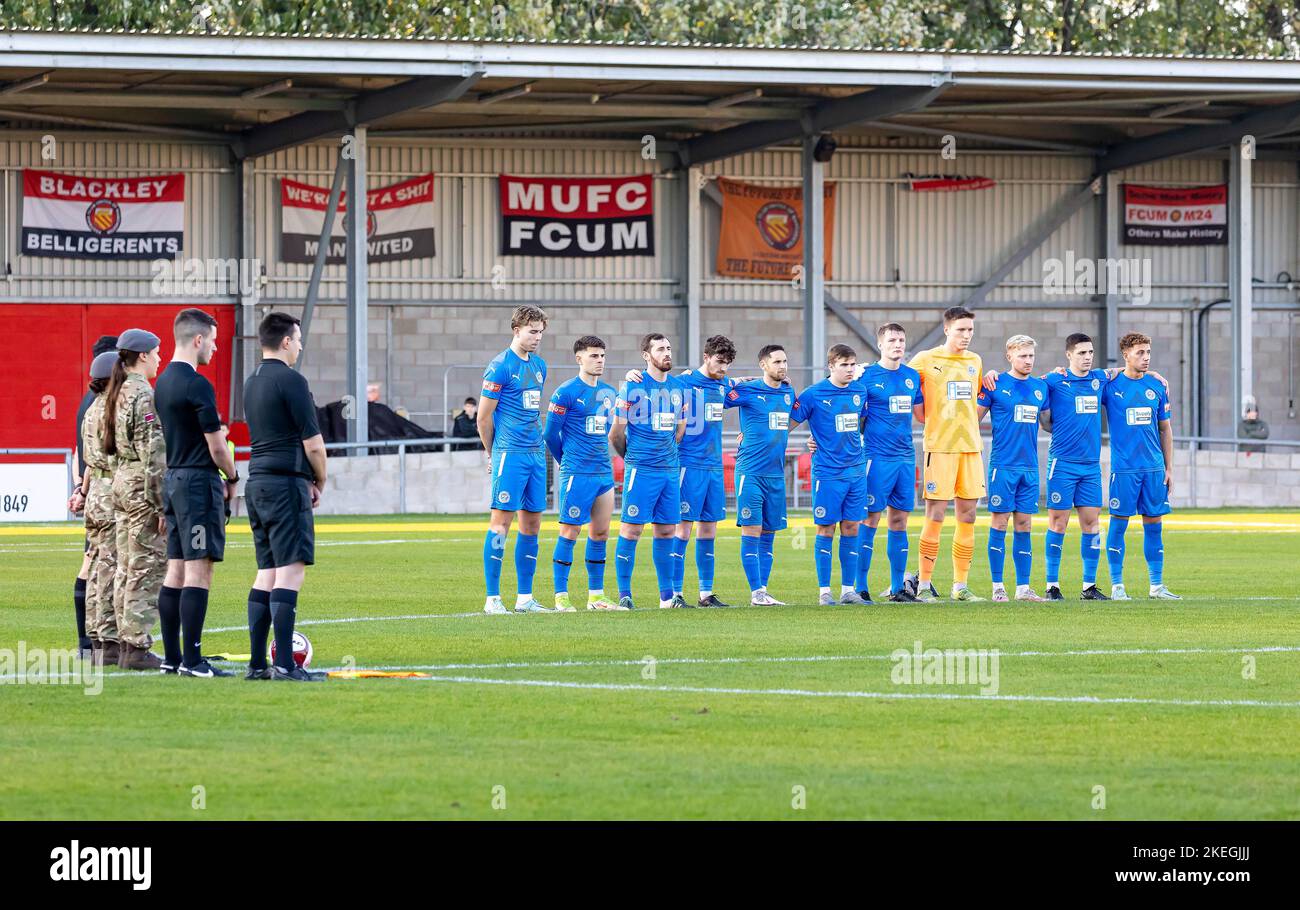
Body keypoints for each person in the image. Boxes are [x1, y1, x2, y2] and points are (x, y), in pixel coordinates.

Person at [154, 308, 240, 678]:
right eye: (214, 341)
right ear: (198, 339)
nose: (216, 349)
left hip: (173, 480)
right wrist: (233, 477)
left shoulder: (163, 382)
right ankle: (193, 661)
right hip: (196, 485)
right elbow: (217, 446)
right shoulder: (196, 384)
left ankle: (172, 659)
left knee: (174, 567)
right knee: (198, 569)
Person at [243, 312, 329, 680]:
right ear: (286, 342)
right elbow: (313, 444)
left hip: (257, 482)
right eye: (298, 339)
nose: (300, 346)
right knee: (291, 572)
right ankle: (284, 665)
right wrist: (319, 480)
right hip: (285, 483)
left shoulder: (251, 381)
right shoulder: (293, 381)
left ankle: (258, 664)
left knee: (266, 571)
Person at [908, 307, 986, 602]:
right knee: (936, 515)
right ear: (947, 330)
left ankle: (960, 586)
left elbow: (979, 395)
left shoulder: (975, 361)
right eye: (961, 330)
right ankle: (925, 585)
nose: (966, 336)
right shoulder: (926, 359)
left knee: (968, 515)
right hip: (939, 447)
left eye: (970, 330)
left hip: (970, 447)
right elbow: (903, 384)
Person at [478, 305, 550, 614]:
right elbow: (483, 418)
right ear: (516, 330)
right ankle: (492, 598)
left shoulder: (539, 366)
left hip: (536, 454)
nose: (537, 337)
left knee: (532, 524)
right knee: (501, 523)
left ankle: (525, 598)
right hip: (510, 453)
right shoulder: (499, 366)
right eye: (532, 331)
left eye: (541, 332)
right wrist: (492, 453)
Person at [102, 329, 167, 670]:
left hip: (121, 483)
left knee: (126, 567)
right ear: (142, 356)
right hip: (141, 486)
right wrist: (160, 504)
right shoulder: (143, 394)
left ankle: (125, 644)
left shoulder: (117, 391)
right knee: (146, 567)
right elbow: (153, 452)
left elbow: (108, 444)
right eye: (156, 353)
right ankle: (137, 647)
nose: (159, 359)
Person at [544, 336, 622, 611]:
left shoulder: (610, 393)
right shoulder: (565, 392)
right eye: (594, 356)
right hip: (576, 472)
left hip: (603, 473)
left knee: (600, 533)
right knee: (570, 531)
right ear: (579, 358)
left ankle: (596, 596)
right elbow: (550, 434)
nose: (600, 360)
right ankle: (561, 596)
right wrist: (565, 461)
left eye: (602, 355)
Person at [610, 333, 687, 610]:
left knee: (667, 531)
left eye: (669, 347)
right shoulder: (633, 387)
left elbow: (680, 429)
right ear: (646, 355)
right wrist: (632, 459)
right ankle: (624, 595)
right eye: (660, 349)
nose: (667, 352)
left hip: (669, 470)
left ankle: (667, 598)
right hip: (641, 469)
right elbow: (616, 434)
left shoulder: (679, 387)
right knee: (631, 531)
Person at [1102, 332, 1181, 601]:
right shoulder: (1110, 385)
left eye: (1148, 352)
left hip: (1154, 469)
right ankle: (1117, 587)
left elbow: (1165, 429)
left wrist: (1169, 468)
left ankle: (1156, 587)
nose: (1146, 357)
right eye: (1140, 353)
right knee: (1118, 525)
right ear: (1126, 355)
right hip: (1124, 469)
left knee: (1154, 525)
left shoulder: (1157, 386)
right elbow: (1083, 377)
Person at [790, 344, 870, 606]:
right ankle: (825, 591)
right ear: (831, 366)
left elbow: (863, 423)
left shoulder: (860, 390)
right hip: (827, 472)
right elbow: (788, 424)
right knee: (826, 528)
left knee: (851, 527)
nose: (849, 369)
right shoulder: (813, 394)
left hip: (856, 472)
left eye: (852, 364)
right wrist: (808, 442)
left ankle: (848, 590)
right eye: (843, 365)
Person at [976, 335, 1050, 602]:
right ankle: (998, 587)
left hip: (1029, 467)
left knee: (1024, 523)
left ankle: (1023, 589)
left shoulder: (1041, 388)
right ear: (1010, 357)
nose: (1028, 360)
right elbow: (973, 419)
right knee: (999, 522)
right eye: (1022, 356)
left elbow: (1049, 423)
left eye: (1031, 356)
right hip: (1002, 466)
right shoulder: (995, 384)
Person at [725, 344, 796, 606]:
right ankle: (756, 592)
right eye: (776, 362)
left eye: (785, 361)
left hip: (775, 476)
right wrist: (731, 381)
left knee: (769, 534)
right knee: (752, 531)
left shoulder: (789, 391)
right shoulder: (748, 389)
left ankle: (763, 592)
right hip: (750, 472)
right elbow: (715, 397)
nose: (782, 366)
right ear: (763, 365)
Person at [858, 323, 924, 602]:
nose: (898, 344)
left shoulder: (912, 377)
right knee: (869, 519)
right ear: (880, 345)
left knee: (899, 520)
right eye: (892, 340)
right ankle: (859, 586)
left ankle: (898, 588)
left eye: (901, 339)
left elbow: (923, 414)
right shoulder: (866, 376)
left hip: (905, 459)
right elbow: (845, 409)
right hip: (876, 457)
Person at [69, 350, 121, 664]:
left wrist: (82, 491)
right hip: (113, 492)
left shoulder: (89, 410)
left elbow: (88, 460)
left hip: (95, 493)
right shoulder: (111, 409)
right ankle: (105, 642)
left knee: (94, 564)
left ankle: (89, 643)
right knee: (109, 569)